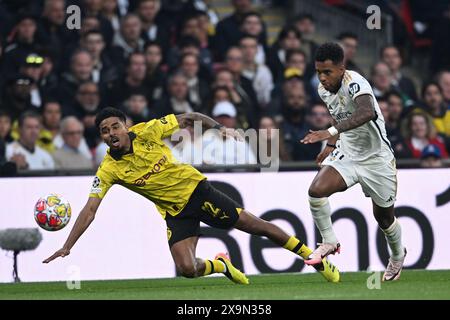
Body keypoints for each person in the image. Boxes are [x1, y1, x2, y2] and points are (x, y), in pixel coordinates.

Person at [43, 107, 340, 284]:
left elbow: (189, 118)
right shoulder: (108, 170)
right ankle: (220, 265)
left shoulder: (147, 131)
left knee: (256, 226)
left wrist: (220, 128)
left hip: (197, 191)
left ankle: (312, 257)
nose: (110, 133)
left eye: (115, 127)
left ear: (126, 126)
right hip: (175, 211)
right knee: (187, 269)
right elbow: (90, 210)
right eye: (104, 131)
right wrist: (68, 246)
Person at [300, 43, 406, 281]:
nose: (322, 78)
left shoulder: (355, 83)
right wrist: (331, 144)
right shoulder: (323, 90)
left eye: (327, 72)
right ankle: (329, 241)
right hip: (348, 152)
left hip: (377, 158)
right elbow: (340, 115)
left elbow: (367, 112)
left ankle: (398, 256)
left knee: (384, 218)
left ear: (342, 68)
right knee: (316, 191)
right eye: (319, 72)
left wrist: (328, 132)